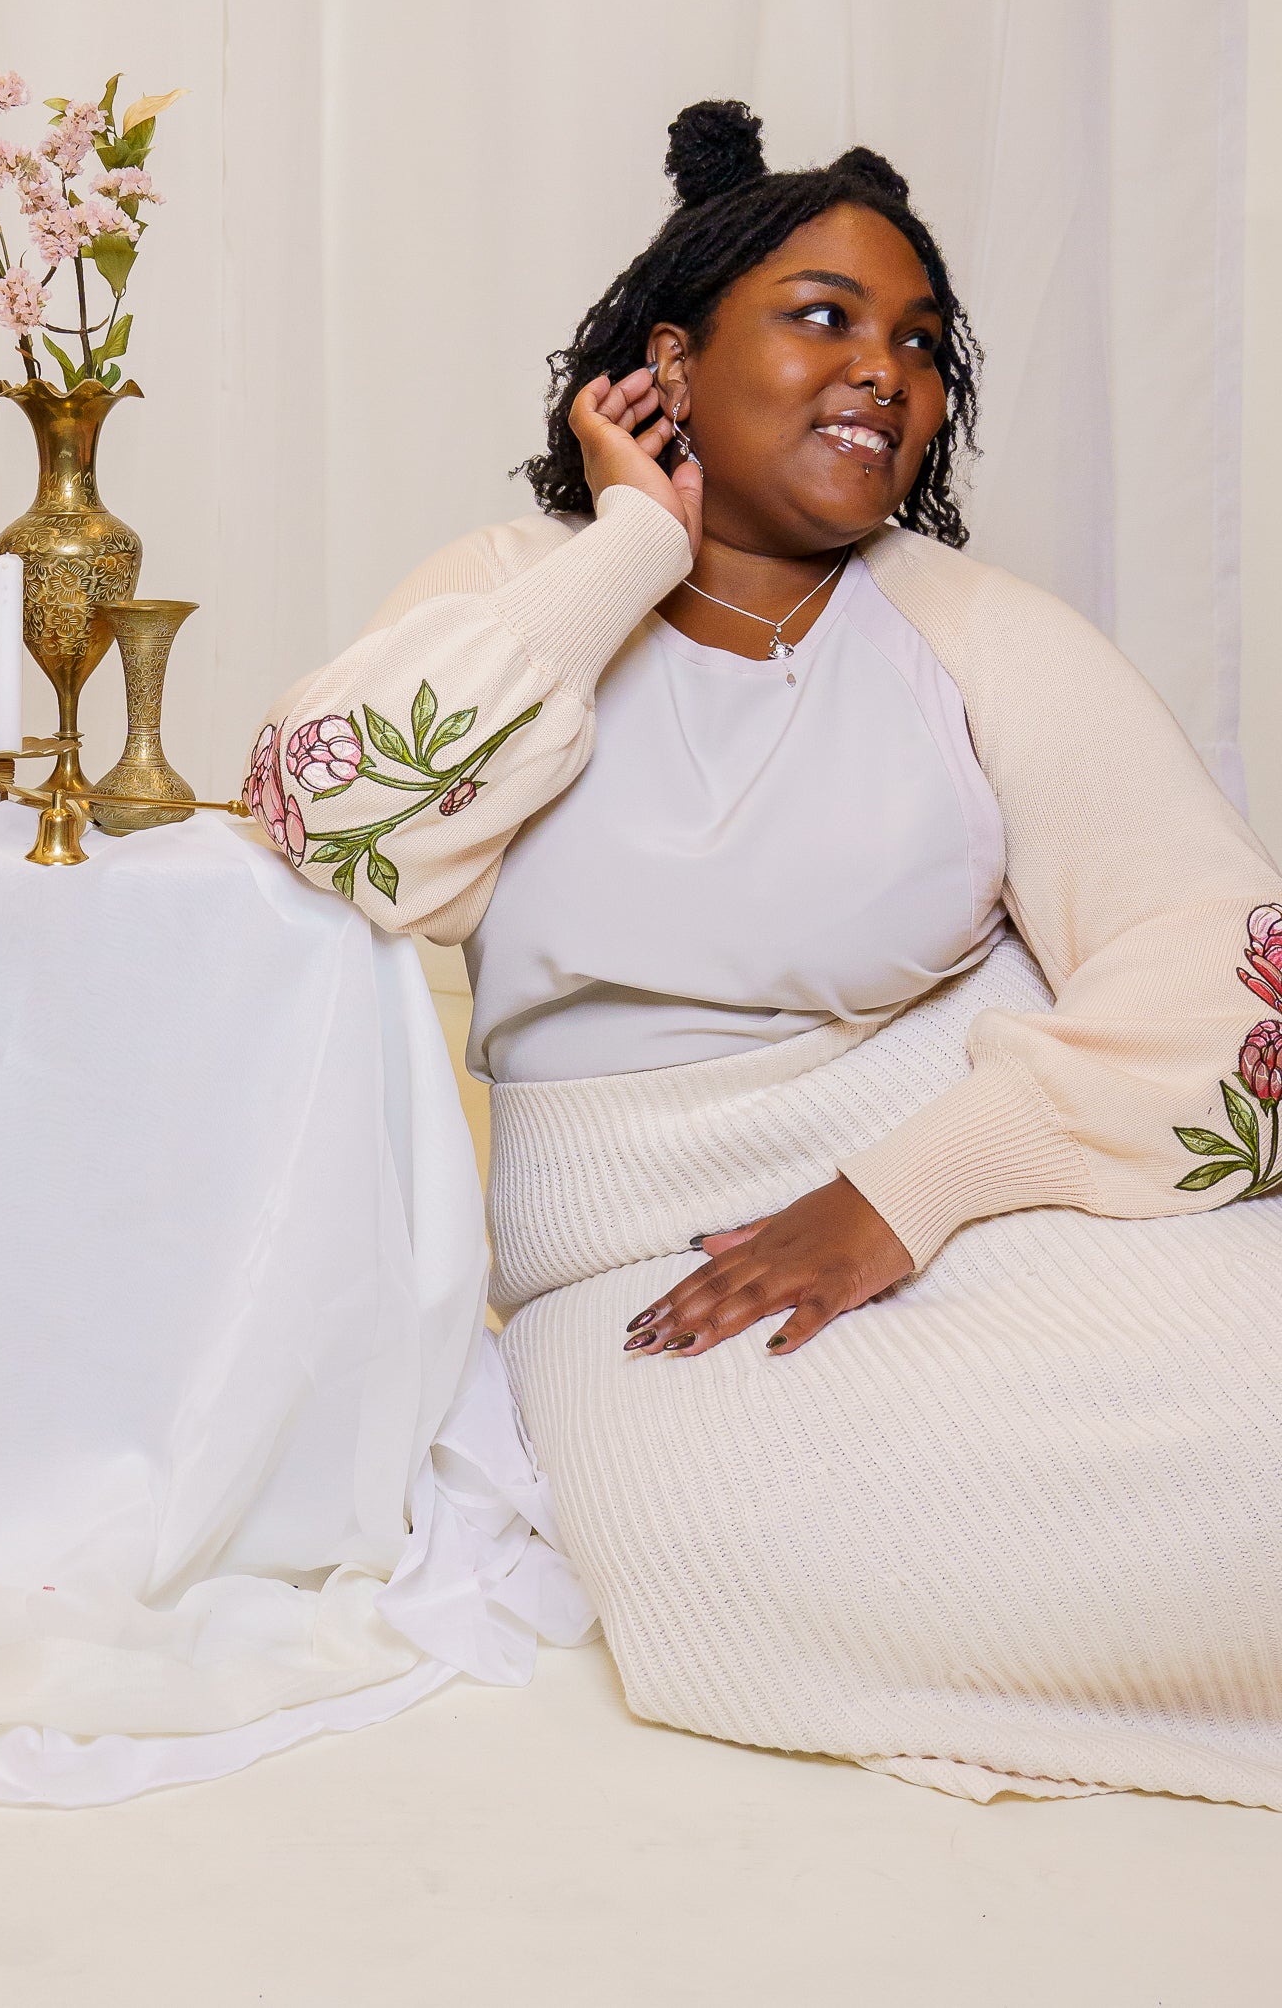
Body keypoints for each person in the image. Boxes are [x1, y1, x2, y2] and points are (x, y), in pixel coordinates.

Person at [245, 98, 1282, 1807]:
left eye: (921, 343)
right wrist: (632, 550)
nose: (886, 372)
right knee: (745, 1562)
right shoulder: (519, 589)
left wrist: (910, 1191)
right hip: (647, 1264)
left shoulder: (976, 631)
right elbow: (328, 819)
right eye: (824, 317)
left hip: (985, 1206)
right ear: (670, 359)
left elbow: (1228, 963)